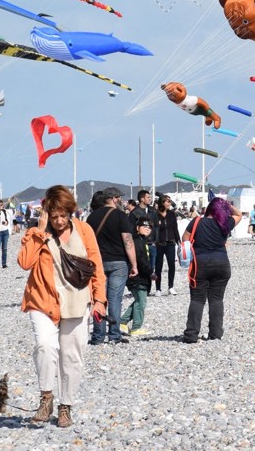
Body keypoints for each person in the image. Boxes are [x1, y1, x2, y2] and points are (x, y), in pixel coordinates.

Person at [18, 184, 107, 429]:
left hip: (77, 300)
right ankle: (46, 397)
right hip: (42, 299)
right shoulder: (37, 232)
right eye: (54, 215)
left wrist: (100, 299)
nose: (58, 221)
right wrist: (39, 231)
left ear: (71, 213)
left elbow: (96, 265)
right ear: (46, 212)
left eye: (63, 216)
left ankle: (65, 405)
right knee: (45, 345)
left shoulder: (84, 230)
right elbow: (24, 263)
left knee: (73, 355)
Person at [182, 195, 242, 343]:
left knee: (197, 299)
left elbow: (185, 239)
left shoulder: (196, 221)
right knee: (216, 300)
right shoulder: (225, 223)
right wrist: (227, 205)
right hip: (222, 263)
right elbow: (238, 214)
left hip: (200, 263)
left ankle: (191, 334)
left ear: (209, 208)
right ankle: (215, 334)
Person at [84, 188, 137, 345]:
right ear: (114, 199)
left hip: (97, 262)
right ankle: (114, 335)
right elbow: (128, 241)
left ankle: (98, 335)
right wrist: (134, 264)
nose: (121, 200)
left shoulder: (91, 217)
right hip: (118, 262)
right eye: (119, 198)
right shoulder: (120, 216)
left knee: (99, 298)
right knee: (115, 299)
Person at [123, 216, 153, 336]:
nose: (147, 229)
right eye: (144, 226)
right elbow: (141, 260)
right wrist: (151, 272)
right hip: (137, 276)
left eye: (149, 227)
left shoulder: (142, 240)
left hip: (141, 276)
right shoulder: (137, 241)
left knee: (138, 301)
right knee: (141, 301)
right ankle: (136, 328)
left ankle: (122, 322)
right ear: (137, 228)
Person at [153, 195, 180, 294]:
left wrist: (178, 241)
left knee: (171, 265)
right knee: (158, 266)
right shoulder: (155, 215)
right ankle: (158, 288)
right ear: (162, 203)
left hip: (170, 243)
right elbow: (153, 230)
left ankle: (171, 286)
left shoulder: (172, 214)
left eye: (170, 202)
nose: (169, 203)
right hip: (159, 244)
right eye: (167, 202)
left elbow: (175, 228)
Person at [0, 202, 12, 268]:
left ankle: (4, 264)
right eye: (1, 205)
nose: (2, 206)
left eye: (2, 204)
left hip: (5, 232)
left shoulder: (4, 212)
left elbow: (7, 220)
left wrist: (6, 222)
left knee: (4, 248)